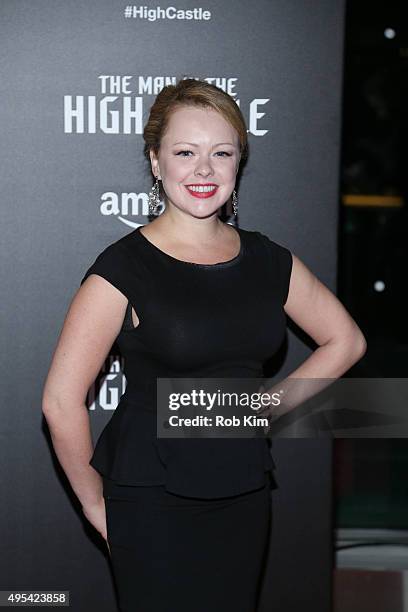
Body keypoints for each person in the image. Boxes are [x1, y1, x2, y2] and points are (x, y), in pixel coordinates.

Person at [42, 78, 367, 612]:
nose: (204, 170)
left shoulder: (268, 260)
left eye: (222, 153)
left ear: (239, 163)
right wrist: (94, 503)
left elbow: (346, 340)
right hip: (150, 498)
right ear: (155, 161)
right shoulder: (125, 267)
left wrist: (264, 409)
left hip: (243, 488)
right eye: (185, 152)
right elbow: (60, 402)